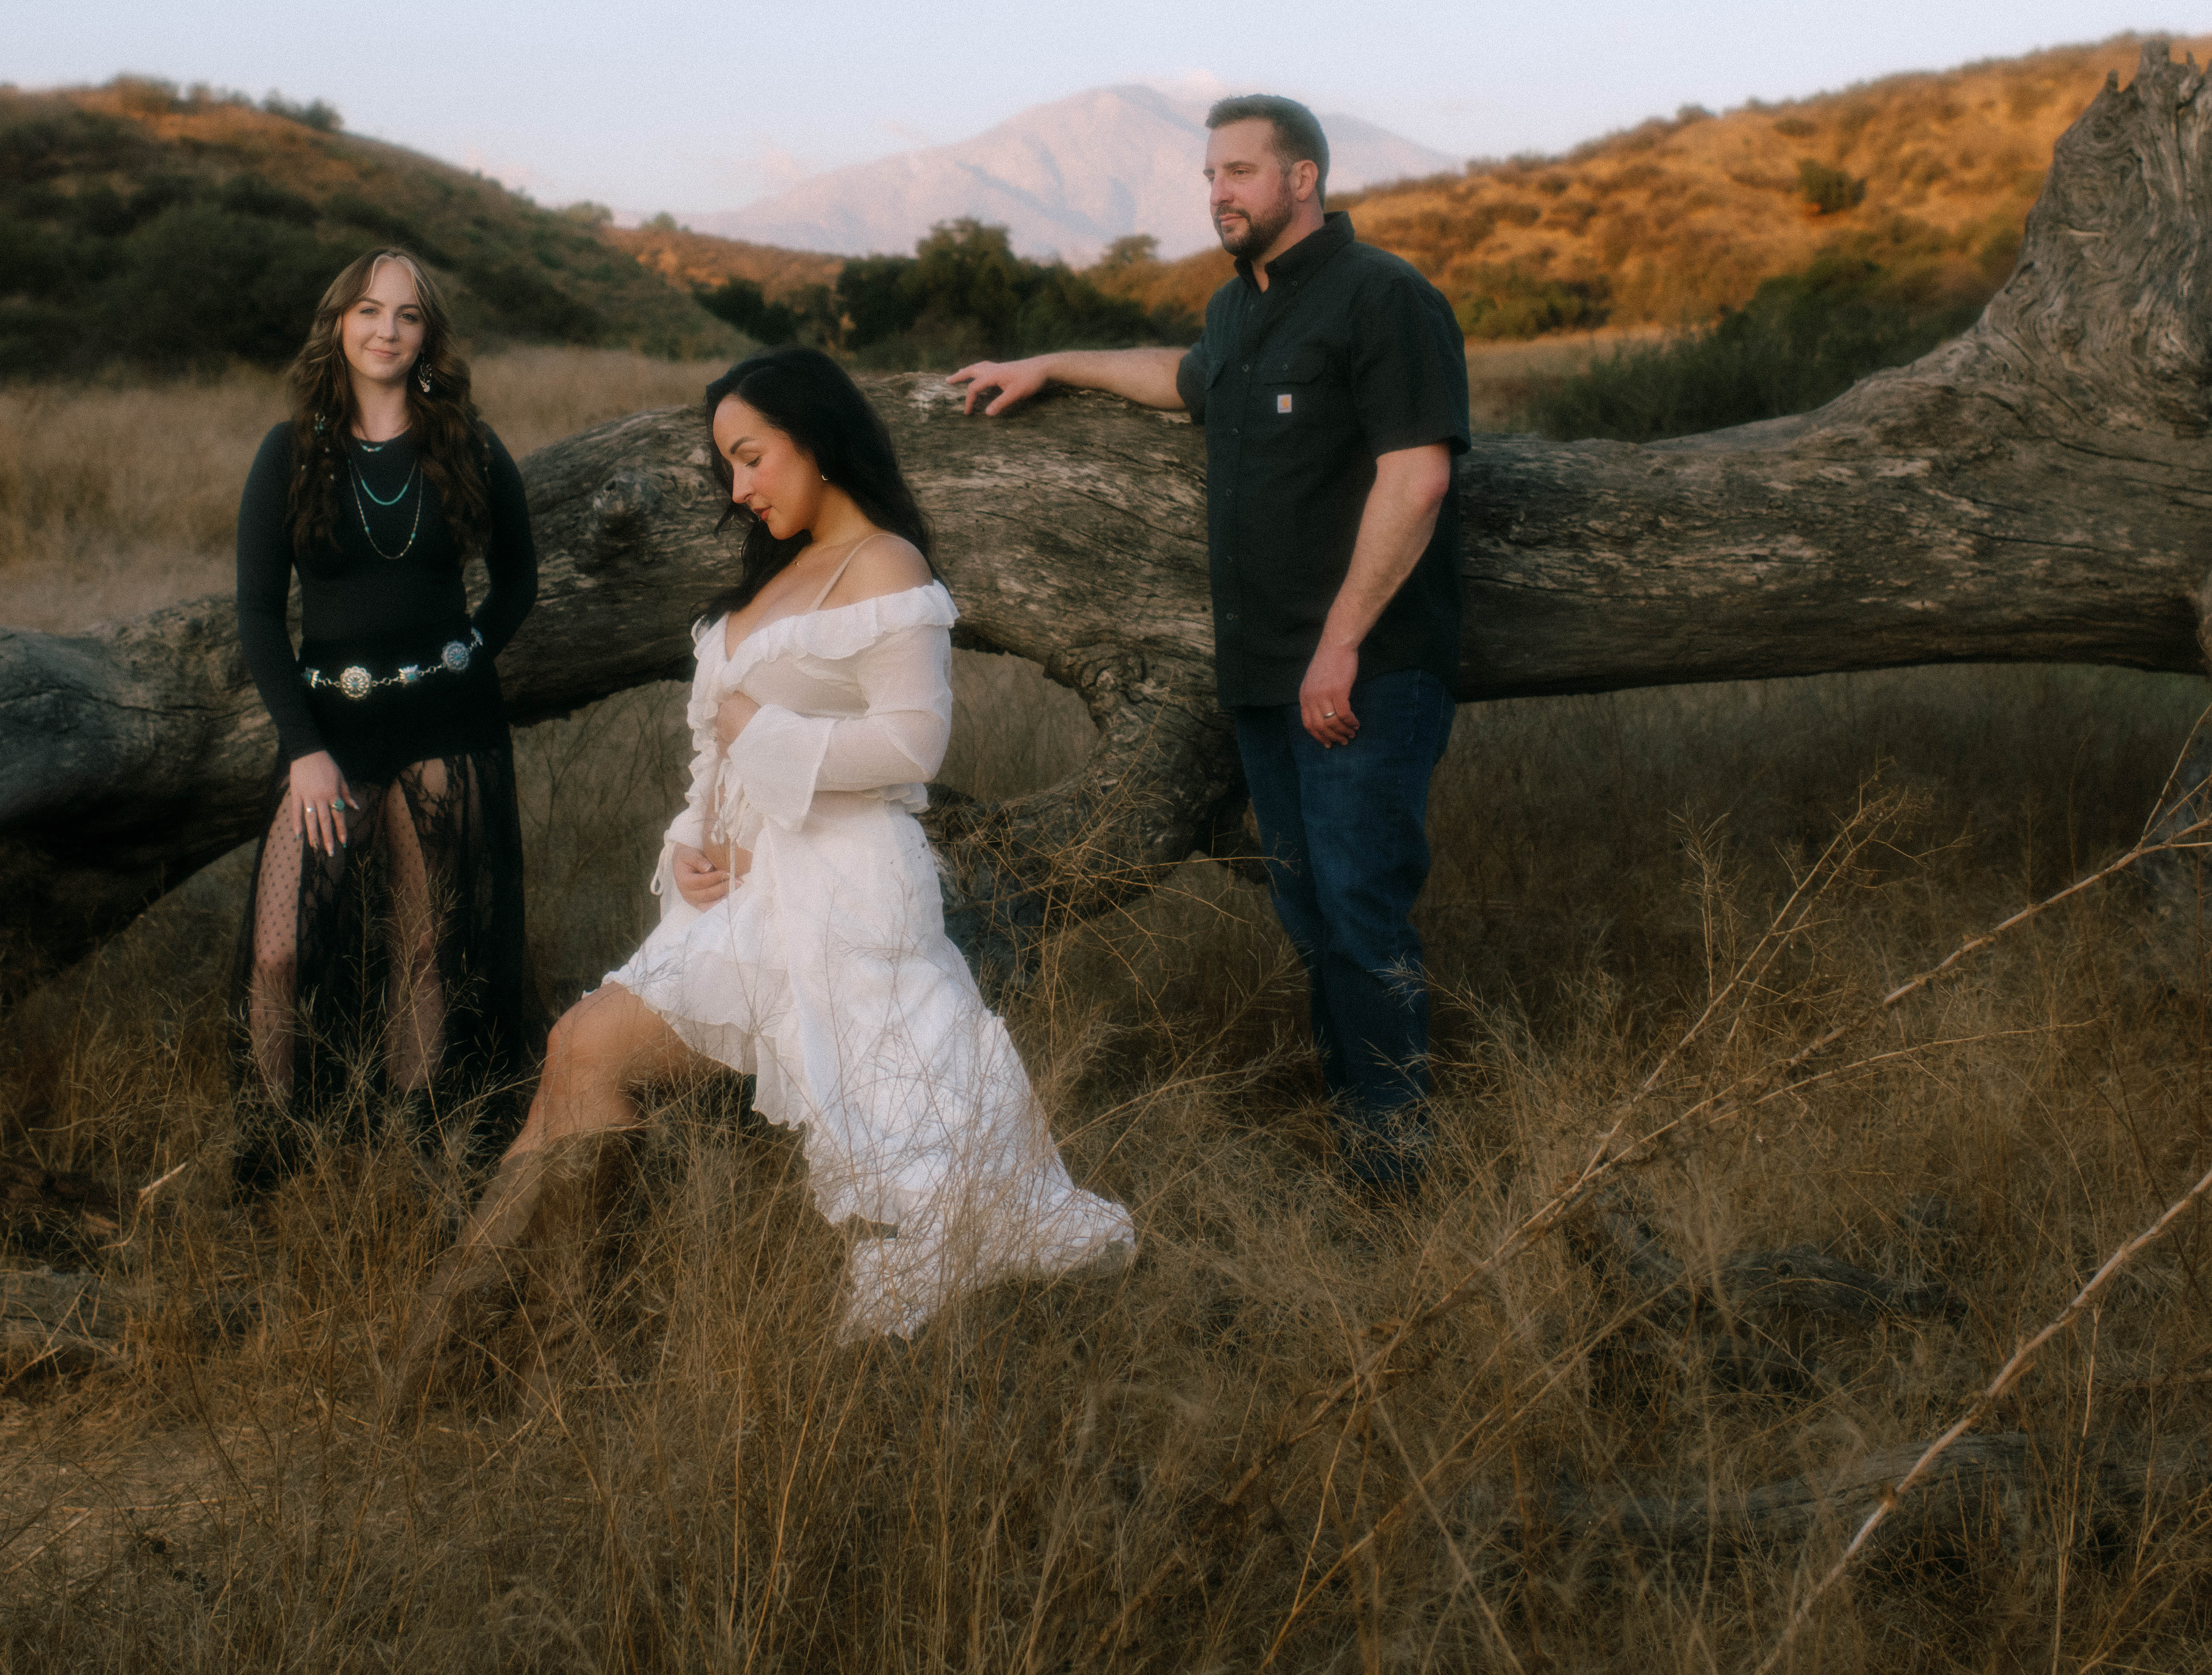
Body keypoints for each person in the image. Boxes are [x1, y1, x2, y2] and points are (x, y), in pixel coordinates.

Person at [388, 347, 1132, 1400]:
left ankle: (510, 1355)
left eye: (753, 458)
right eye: (727, 467)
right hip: (734, 892)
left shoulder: (886, 566)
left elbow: (913, 748)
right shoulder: (769, 576)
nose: (739, 489)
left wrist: (765, 732)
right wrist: (686, 847)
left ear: (817, 441)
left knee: (591, 1048)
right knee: (574, 1055)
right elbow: (713, 756)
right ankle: (471, 1352)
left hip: (834, 884)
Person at [946, 95, 1469, 1189]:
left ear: (1305, 180)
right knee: (1314, 913)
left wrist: (1341, 648)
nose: (1218, 193)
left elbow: (1417, 479)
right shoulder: (1242, 312)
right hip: (1266, 680)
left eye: (1239, 171)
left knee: (1363, 914)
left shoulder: (1387, 300)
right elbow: (1182, 377)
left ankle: (1397, 1171)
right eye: (1210, 175)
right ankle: (1360, 1136)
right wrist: (1052, 364)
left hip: (1360, 674)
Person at [228, 248, 540, 1154]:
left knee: (427, 950)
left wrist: (465, 655)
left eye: (407, 316)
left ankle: (422, 1140)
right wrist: (303, 747)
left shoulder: (469, 445)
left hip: (450, 726)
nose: (387, 330)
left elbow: (519, 583)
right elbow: (255, 611)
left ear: (428, 336)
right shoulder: (289, 452)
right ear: (339, 324)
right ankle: (273, 1144)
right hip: (332, 732)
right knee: (280, 952)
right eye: (369, 310)